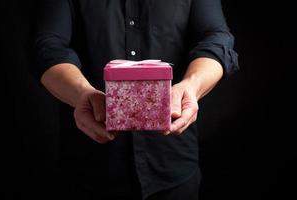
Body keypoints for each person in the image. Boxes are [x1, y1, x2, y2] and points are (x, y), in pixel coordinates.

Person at [33, 0, 239, 199]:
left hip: (173, 169)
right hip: (89, 169)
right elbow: (47, 46)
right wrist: (81, 94)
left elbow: (216, 38)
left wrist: (191, 86)